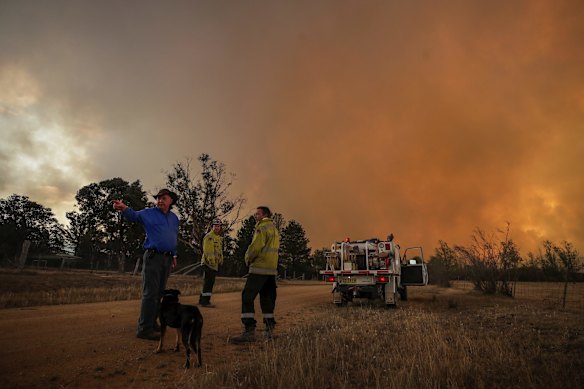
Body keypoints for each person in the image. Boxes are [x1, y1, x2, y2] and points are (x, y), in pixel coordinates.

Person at [112, 188, 179, 341]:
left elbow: (173, 237)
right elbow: (134, 215)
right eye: (158, 198)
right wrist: (124, 209)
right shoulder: (149, 213)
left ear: (171, 201)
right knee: (150, 294)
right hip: (153, 258)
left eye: (164, 198)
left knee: (160, 293)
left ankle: (152, 322)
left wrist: (174, 254)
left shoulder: (175, 218)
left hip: (167, 259)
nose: (160, 200)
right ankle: (144, 329)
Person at [230, 206, 280, 343]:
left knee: (247, 296)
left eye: (257, 213)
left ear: (264, 215)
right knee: (267, 299)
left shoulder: (261, 227)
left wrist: (248, 258)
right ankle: (269, 329)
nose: (255, 215)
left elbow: (256, 247)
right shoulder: (274, 229)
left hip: (259, 268)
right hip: (271, 270)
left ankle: (249, 330)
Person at [199, 218, 224, 307]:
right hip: (208, 264)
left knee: (209, 282)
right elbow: (208, 251)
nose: (217, 228)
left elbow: (219, 251)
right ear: (212, 226)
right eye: (215, 226)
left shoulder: (218, 238)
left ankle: (202, 300)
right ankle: (205, 302)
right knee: (208, 283)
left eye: (218, 226)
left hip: (214, 264)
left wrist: (221, 260)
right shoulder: (209, 236)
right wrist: (212, 262)